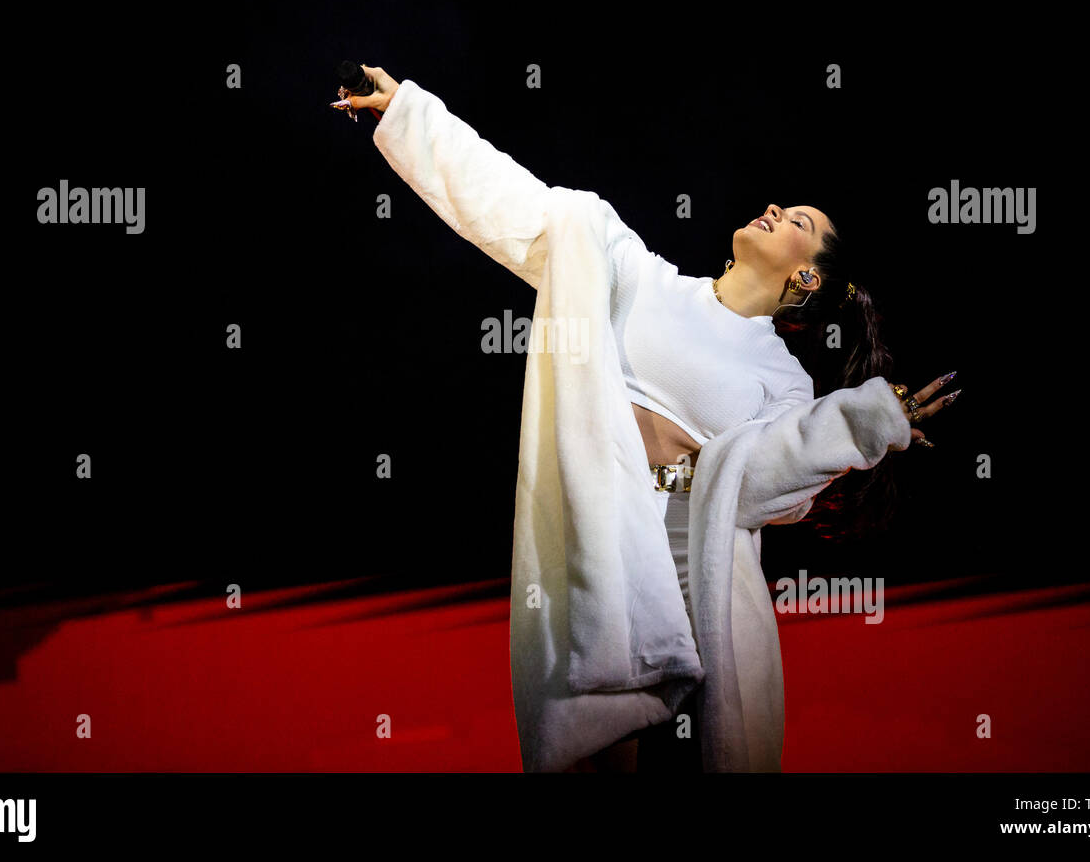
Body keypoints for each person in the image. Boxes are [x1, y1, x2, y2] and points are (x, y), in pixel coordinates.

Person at [340, 65, 959, 772]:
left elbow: (768, 488)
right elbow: (520, 205)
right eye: (787, 207)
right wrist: (410, 115)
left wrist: (862, 422)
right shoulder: (641, 278)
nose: (778, 210)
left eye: (800, 223)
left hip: (699, 599)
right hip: (604, 573)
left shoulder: (785, 383)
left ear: (807, 277)